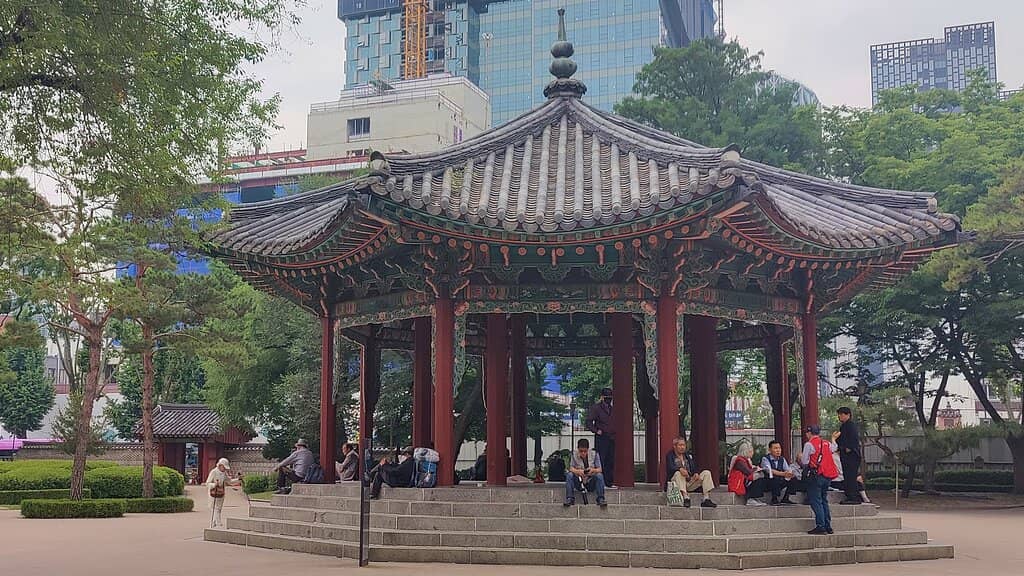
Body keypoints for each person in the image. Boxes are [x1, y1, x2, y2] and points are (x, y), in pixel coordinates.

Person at [801, 425, 840, 535]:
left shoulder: (809, 444)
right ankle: (828, 526)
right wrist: (833, 439)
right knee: (824, 500)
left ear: (809, 433)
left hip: (816, 475)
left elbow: (804, 461)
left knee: (816, 501)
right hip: (827, 476)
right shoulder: (826, 443)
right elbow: (834, 448)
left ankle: (820, 526)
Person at [665, 437, 717, 508]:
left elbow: (693, 468)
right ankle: (686, 498)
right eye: (680, 445)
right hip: (676, 483)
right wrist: (679, 469)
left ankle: (706, 499)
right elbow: (670, 468)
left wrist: (696, 473)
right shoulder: (670, 455)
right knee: (678, 473)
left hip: (688, 482)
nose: (682, 447)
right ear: (675, 446)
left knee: (706, 473)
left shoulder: (687, 455)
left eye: (683, 445)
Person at [585, 387, 616, 488]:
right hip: (601, 437)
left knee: (610, 460)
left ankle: (609, 482)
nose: (608, 399)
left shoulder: (612, 409)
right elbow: (589, 422)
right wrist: (596, 431)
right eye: (607, 397)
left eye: (610, 397)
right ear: (602, 397)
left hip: (611, 437)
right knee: (601, 459)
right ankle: (600, 481)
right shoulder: (596, 408)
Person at [833, 407, 863, 504]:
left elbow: (852, 440)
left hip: (851, 455)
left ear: (848, 415)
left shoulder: (850, 425)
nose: (840, 416)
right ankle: (851, 495)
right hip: (846, 455)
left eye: (842, 414)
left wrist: (847, 448)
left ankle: (853, 497)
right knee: (847, 476)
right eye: (839, 414)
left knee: (851, 476)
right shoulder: (844, 426)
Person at [563, 438, 607, 507]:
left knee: (599, 475)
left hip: (591, 480)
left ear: (588, 449)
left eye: (585, 451)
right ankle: (569, 498)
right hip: (579, 480)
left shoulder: (594, 454)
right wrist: (579, 471)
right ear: (578, 449)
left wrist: (592, 470)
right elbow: (571, 468)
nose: (583, 453)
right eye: (581, 451)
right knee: (569, 475)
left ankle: (600, 498)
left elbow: (600, 469)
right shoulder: (573, 455)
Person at [761, 440, 800, 505]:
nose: (778, 450)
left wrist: (790, 474)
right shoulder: (765, 459)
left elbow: (787, 469)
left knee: (793, 479)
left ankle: (786, 498)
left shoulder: (782, 459)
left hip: (780, 479)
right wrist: (783, 474)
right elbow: (769, 470)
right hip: (768, 481)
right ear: (770, 450)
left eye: (779, 448)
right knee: (774, 479)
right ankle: (774, 499)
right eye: (775, 448)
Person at [727, 442, 767, 506]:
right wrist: (757, 469)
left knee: (761, 475)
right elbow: (748, 472)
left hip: (743, 481)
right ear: (747, 451)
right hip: (738, 483)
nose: (753, 453)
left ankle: (754, 498)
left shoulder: (745, 460)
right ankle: (750, 499)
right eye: (751, 451)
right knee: (758, 477)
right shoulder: (739, 461)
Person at [206, 457, 240, 528]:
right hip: (213, 493)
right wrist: (214, 484)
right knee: (215, 509)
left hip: (221, 493)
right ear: (220, 465)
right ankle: (218, 523)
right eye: (224, 467)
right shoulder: (214, 472)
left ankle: (214, 523)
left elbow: (229, 481)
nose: (224, 469)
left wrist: (238, 479)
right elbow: (208, 483)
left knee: (219, 509)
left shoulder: (224, 473)